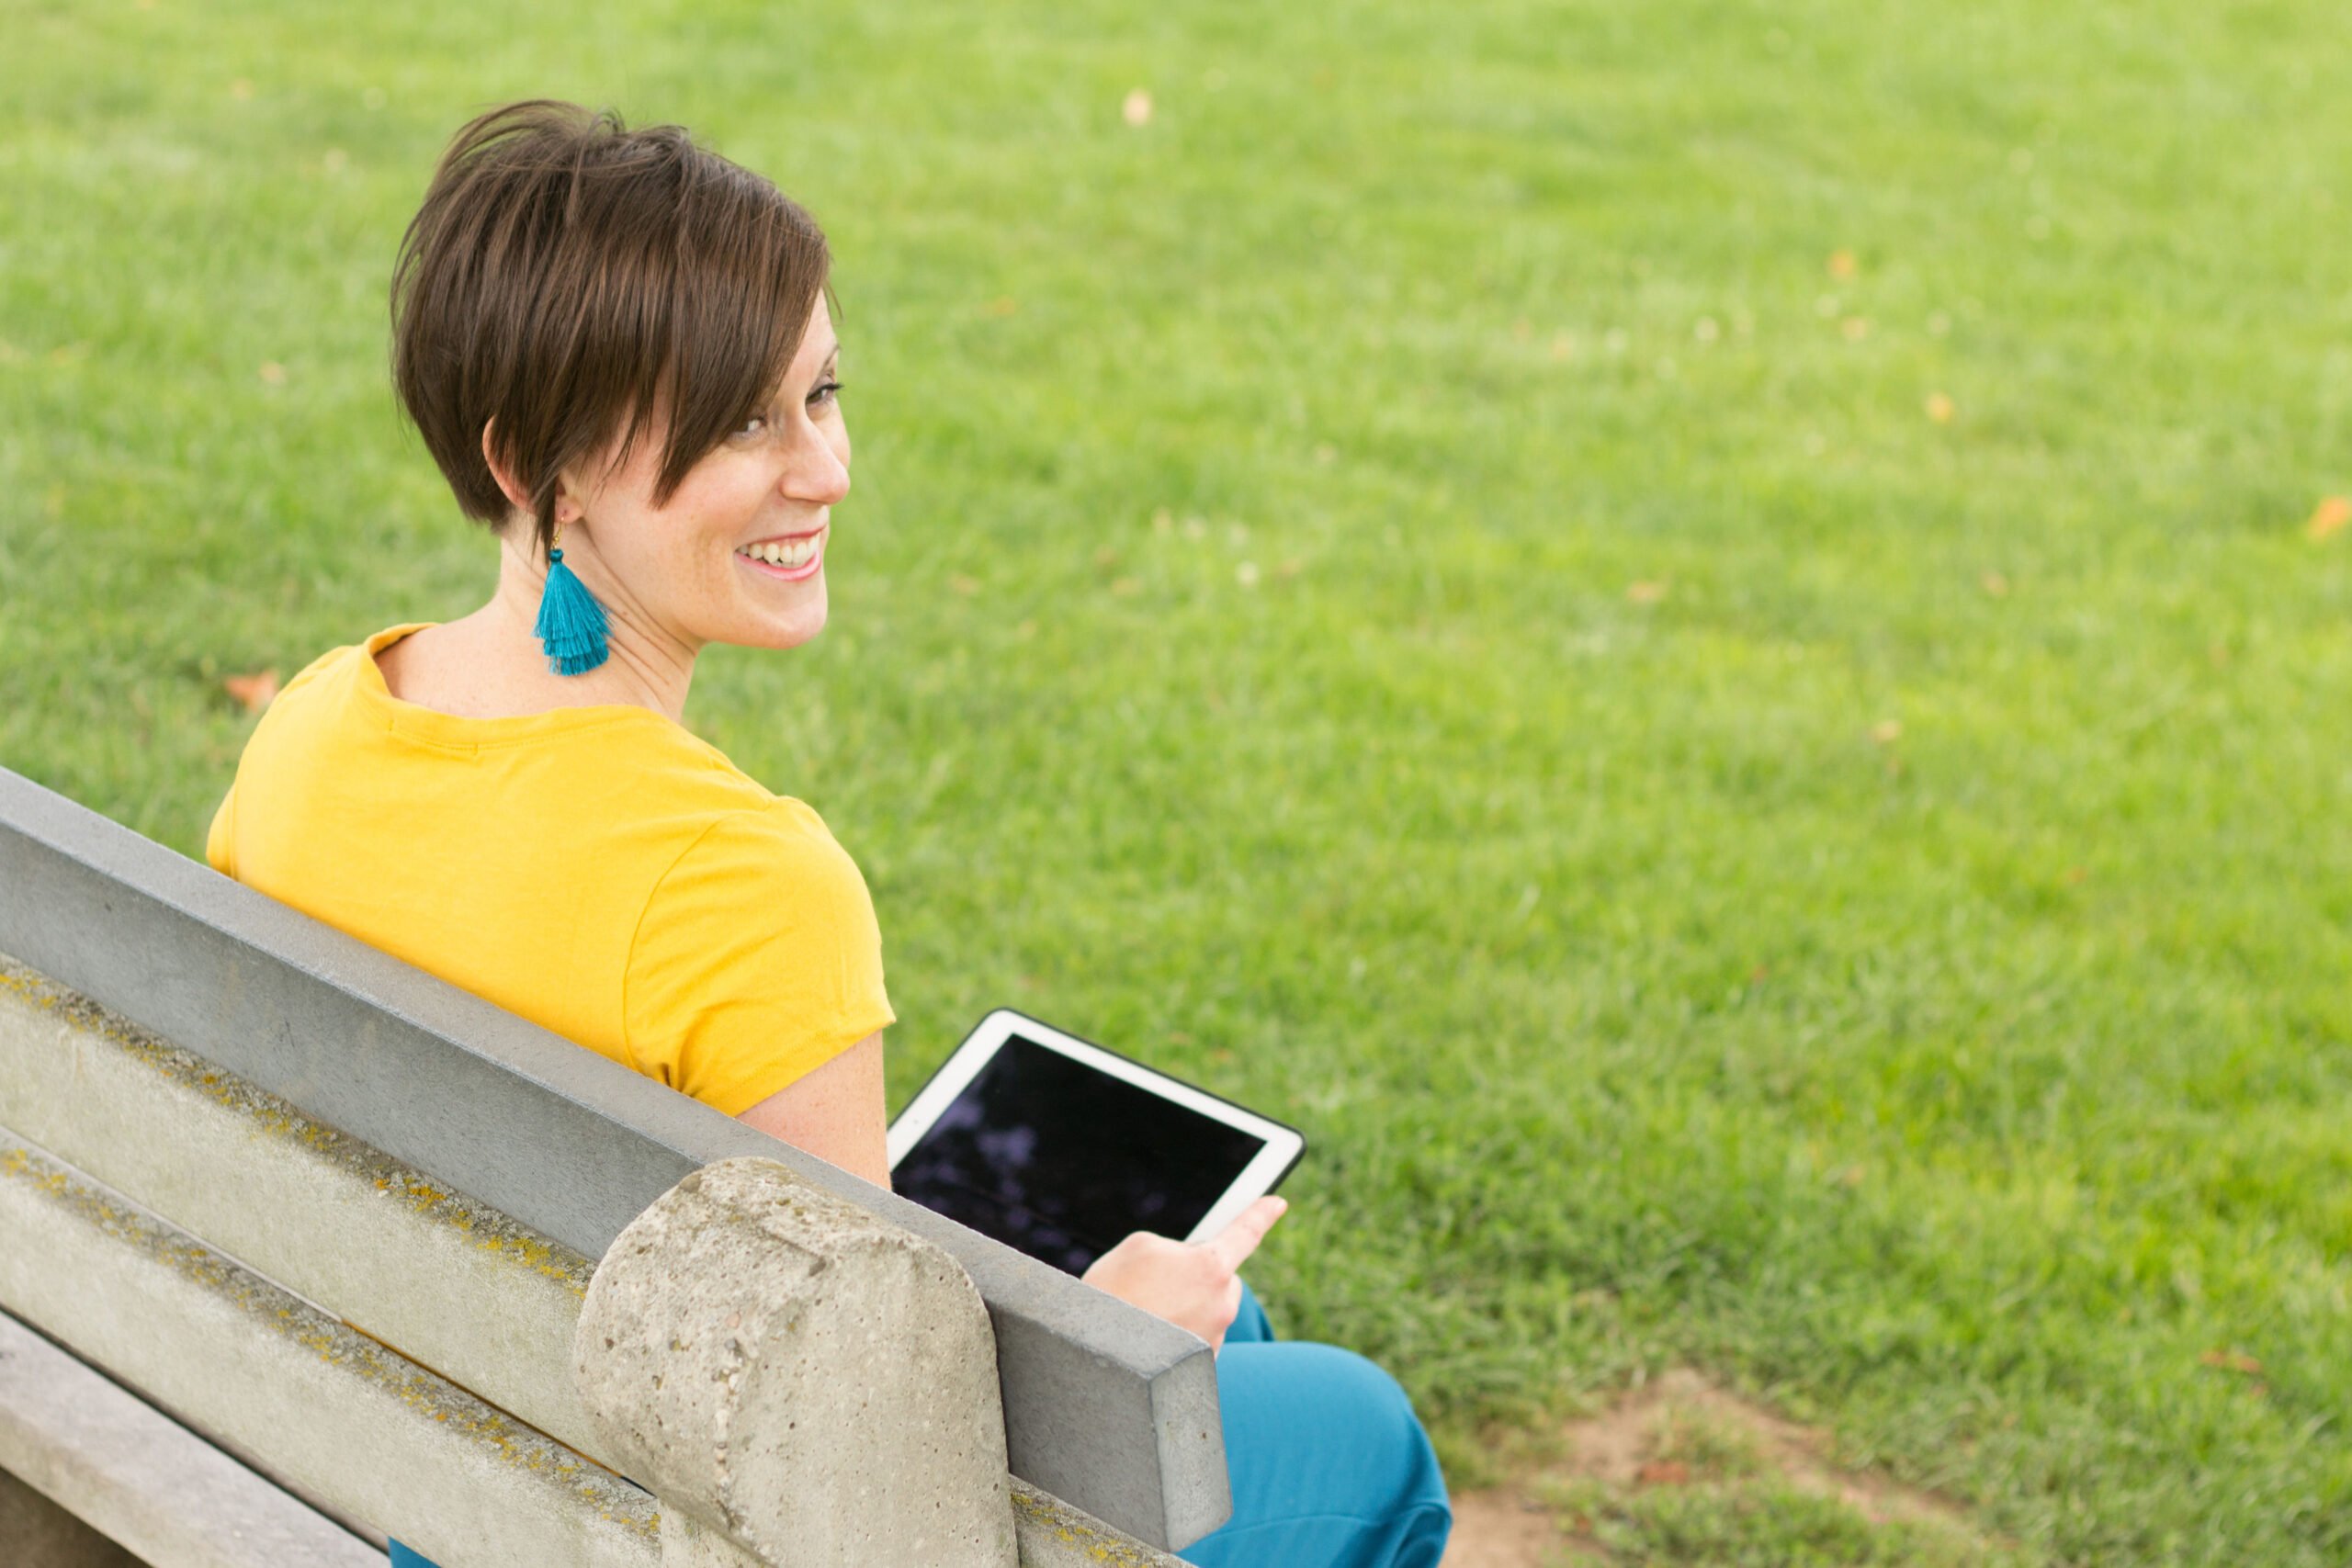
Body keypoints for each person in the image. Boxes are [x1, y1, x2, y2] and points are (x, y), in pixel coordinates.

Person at [205, 100, 1450, 1568]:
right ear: (541, 468)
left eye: (821, 394)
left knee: (1222, 1326)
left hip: (377, 1461)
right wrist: (1097, 1332)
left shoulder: (318, 720)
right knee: (1349, 1425)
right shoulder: (739, 886)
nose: (826, 471)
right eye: (745, 420)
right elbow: (862, 1461)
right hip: (621, 1523)